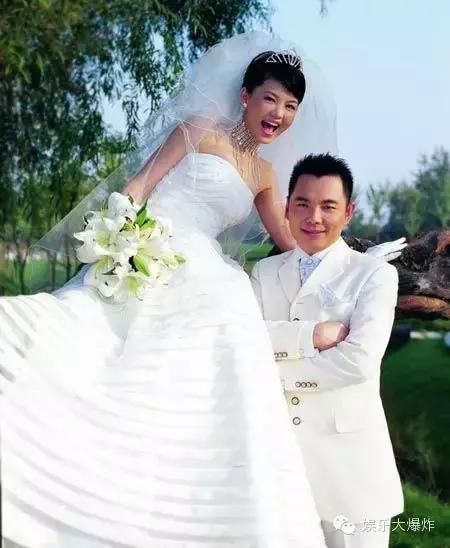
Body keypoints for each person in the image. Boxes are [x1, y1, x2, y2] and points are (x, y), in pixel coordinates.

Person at [0, 32, 402, 548]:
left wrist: (358, 261)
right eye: (270, 99)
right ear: (246, 96)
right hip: (145, 252)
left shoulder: (264, 175)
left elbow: (293, 240)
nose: (279, 114)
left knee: (211, 363)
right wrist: (121, 239)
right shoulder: (198, 130)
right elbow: (139, 186)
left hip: (206, 274)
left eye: (290, 106)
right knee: (82, 343)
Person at [251, 153, 404, 548]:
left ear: (348, 212)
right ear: (287, 207)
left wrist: (271, 374)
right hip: (282, 469)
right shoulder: (264, 273)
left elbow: (358, 361)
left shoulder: (374, 274)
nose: (313, 217)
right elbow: (247, 339)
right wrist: (312, 336)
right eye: (302, 204)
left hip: (351, 473)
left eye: (328, 206)